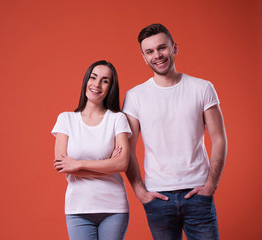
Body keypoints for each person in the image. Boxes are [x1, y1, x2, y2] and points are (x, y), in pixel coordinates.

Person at [122, 23, 227, 240]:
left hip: (198, 193)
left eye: (162, 48)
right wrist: (140, 192)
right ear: (143, 56)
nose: (157, 55)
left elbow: (219, 138)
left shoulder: (202, 88)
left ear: (174, 48)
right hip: (158, 198)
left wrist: (211, 184)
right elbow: (127, 150)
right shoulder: (135, 96)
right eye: (149, 51)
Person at [52, 60, 132, 240]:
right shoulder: (66, 120)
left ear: (111, 87)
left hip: (114, 208)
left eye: (105, 80)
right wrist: (107, 166)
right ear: (86, 81)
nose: (96, 84)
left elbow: (122, 163)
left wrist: (78, 164)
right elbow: (63, 165)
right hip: (78, 208)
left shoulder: (117, 119)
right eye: (93, 77)